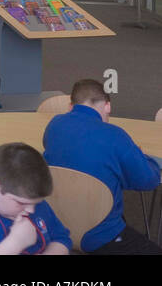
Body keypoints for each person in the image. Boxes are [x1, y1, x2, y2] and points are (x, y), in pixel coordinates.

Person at [43, 78, 162, 254]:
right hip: (100, 236)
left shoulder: (54, 125)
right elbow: (148, 181)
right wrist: (144, 158)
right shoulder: (115, 135)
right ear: (107, 106)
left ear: (70, 106)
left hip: (56, 223)